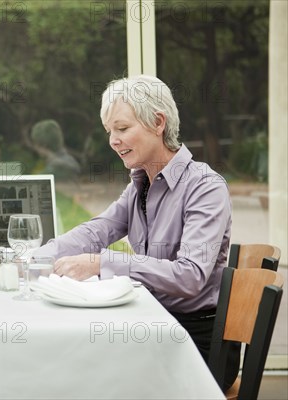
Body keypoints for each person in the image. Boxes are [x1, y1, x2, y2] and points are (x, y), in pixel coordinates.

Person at [33, 75, 239, 391]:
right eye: (109, 132)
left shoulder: (205, 188)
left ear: (158, 122)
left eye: (122, 128)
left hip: (195, 345)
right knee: (68, 361)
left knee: (83, 372)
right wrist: (31, 257)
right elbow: (97, 231)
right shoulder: (140, 186)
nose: (113, 140)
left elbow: (190, 276)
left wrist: (102, 262)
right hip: (155, 325)